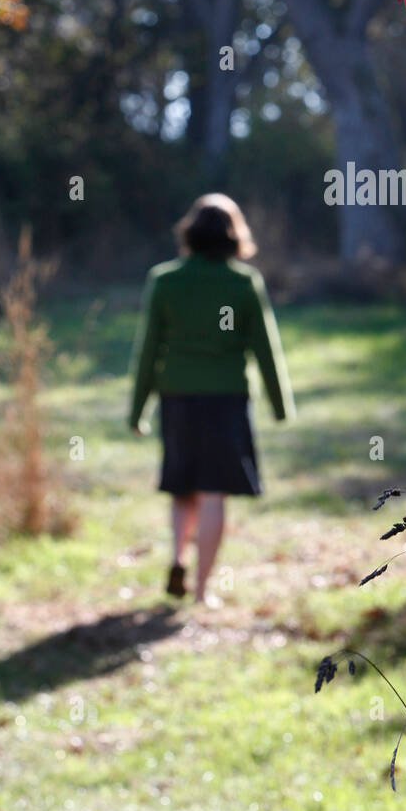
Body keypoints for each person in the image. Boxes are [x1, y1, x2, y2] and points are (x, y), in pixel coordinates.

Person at [128, 193, 295, 605]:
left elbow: (149, 349)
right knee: (213, 492)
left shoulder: (165, 280)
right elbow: (265, 347)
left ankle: (177, 557)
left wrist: (137, 410)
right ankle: (202, 591)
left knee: (182, 486)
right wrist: (279, 404)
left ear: (190, 233)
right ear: (234, 237)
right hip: (226, 401)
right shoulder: (242, 282)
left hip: (178, 399)